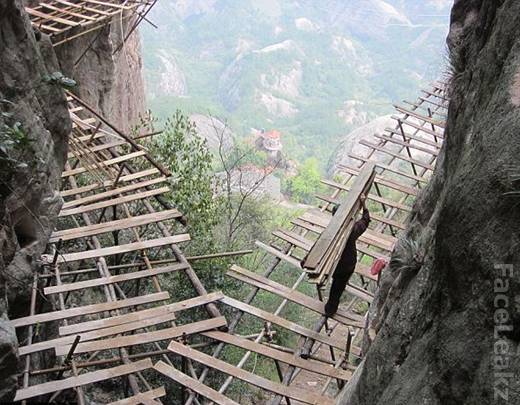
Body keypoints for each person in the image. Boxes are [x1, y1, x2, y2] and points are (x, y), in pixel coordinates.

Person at [325, 194, 370, 316]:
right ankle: (330, 309)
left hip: (333, 264)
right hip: (346, 265)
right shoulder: (352, 230)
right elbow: (365, 220)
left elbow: (320, 246)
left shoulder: (331, 231)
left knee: (335, 286)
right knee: (338, 288)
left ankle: (330, 309)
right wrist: (364, 204)